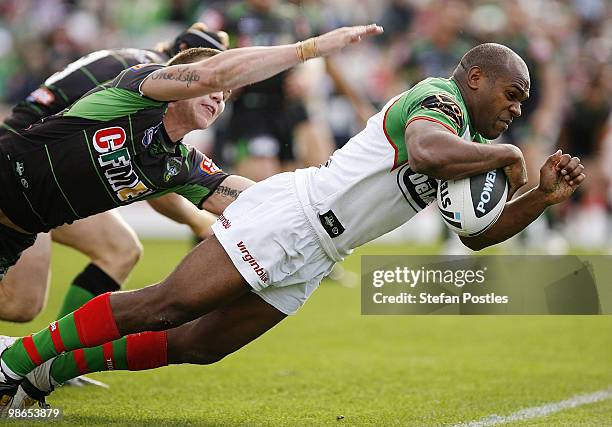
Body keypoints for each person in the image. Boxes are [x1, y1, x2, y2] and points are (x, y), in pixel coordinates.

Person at [0, 42, 585, 411]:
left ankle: (53, 370)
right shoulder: (437, 98)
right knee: (166, 305)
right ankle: (16, 361)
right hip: (297, 215)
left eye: (523, 103)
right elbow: (426, 151)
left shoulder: (474, 144)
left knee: (197, 347)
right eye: (513, 95)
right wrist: (509, 156)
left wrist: (541, 197)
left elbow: (476, 233)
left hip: (320, 253)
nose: (517, 110)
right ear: (477, 77)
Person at [0, 23, 230, 323]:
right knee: (22, 303)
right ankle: (47, 359)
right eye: (208, 74)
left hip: (32, 165)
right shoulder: (146, 76)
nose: (214, 89)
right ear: (186, 54)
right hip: (24, 170)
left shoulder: (126, 60)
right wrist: (200, 222)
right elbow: (151, 180)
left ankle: (53, 360)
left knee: (120, 249)